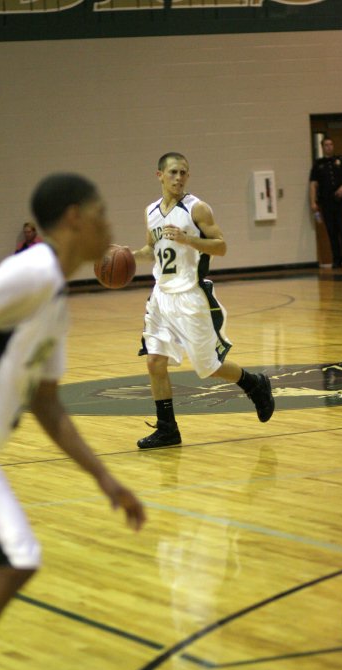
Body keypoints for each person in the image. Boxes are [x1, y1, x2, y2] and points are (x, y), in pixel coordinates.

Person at [0, 173, 146, 670]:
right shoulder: (34, 269)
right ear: (74, 218)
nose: (110, 225)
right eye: (101, 213)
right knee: (12, 559)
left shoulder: (55, 298)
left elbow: (48, 406)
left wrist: (105, 478)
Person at [132, 152, 275, 450]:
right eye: (173, 172)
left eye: (183, 172)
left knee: (208, 367)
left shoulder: (197, 209)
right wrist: (127, 256)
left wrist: (189, 239)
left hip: (190, 298)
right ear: (159, 175)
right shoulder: (151, 212)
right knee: (155, 361)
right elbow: (152, 249)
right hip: (160, 296)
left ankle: (254, 384)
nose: (179, 178)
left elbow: (221, 246)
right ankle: (167, 429)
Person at [309, 136, 342, 268]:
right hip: (326, 202)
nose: (329, 147)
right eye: (326, 145)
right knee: (332, 231)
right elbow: (313, 184)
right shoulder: (318, 165)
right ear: (322, 147)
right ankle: (336, 259)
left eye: (331, 144)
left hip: (341, 202)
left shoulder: (341, 160)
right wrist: (313, 202)